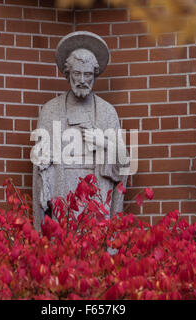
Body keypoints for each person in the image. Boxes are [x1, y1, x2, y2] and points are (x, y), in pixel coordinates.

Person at [31, 31, 129, 231]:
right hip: (62, 194)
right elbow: (40, 164)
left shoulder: (107, 112)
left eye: (88, 74)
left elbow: (123, 163)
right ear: (68, 74)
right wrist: (45, 158)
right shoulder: (51, 110)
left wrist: (102, 141)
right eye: (77, 74)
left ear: (95, 75)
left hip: (97, 197)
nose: (82, 80)